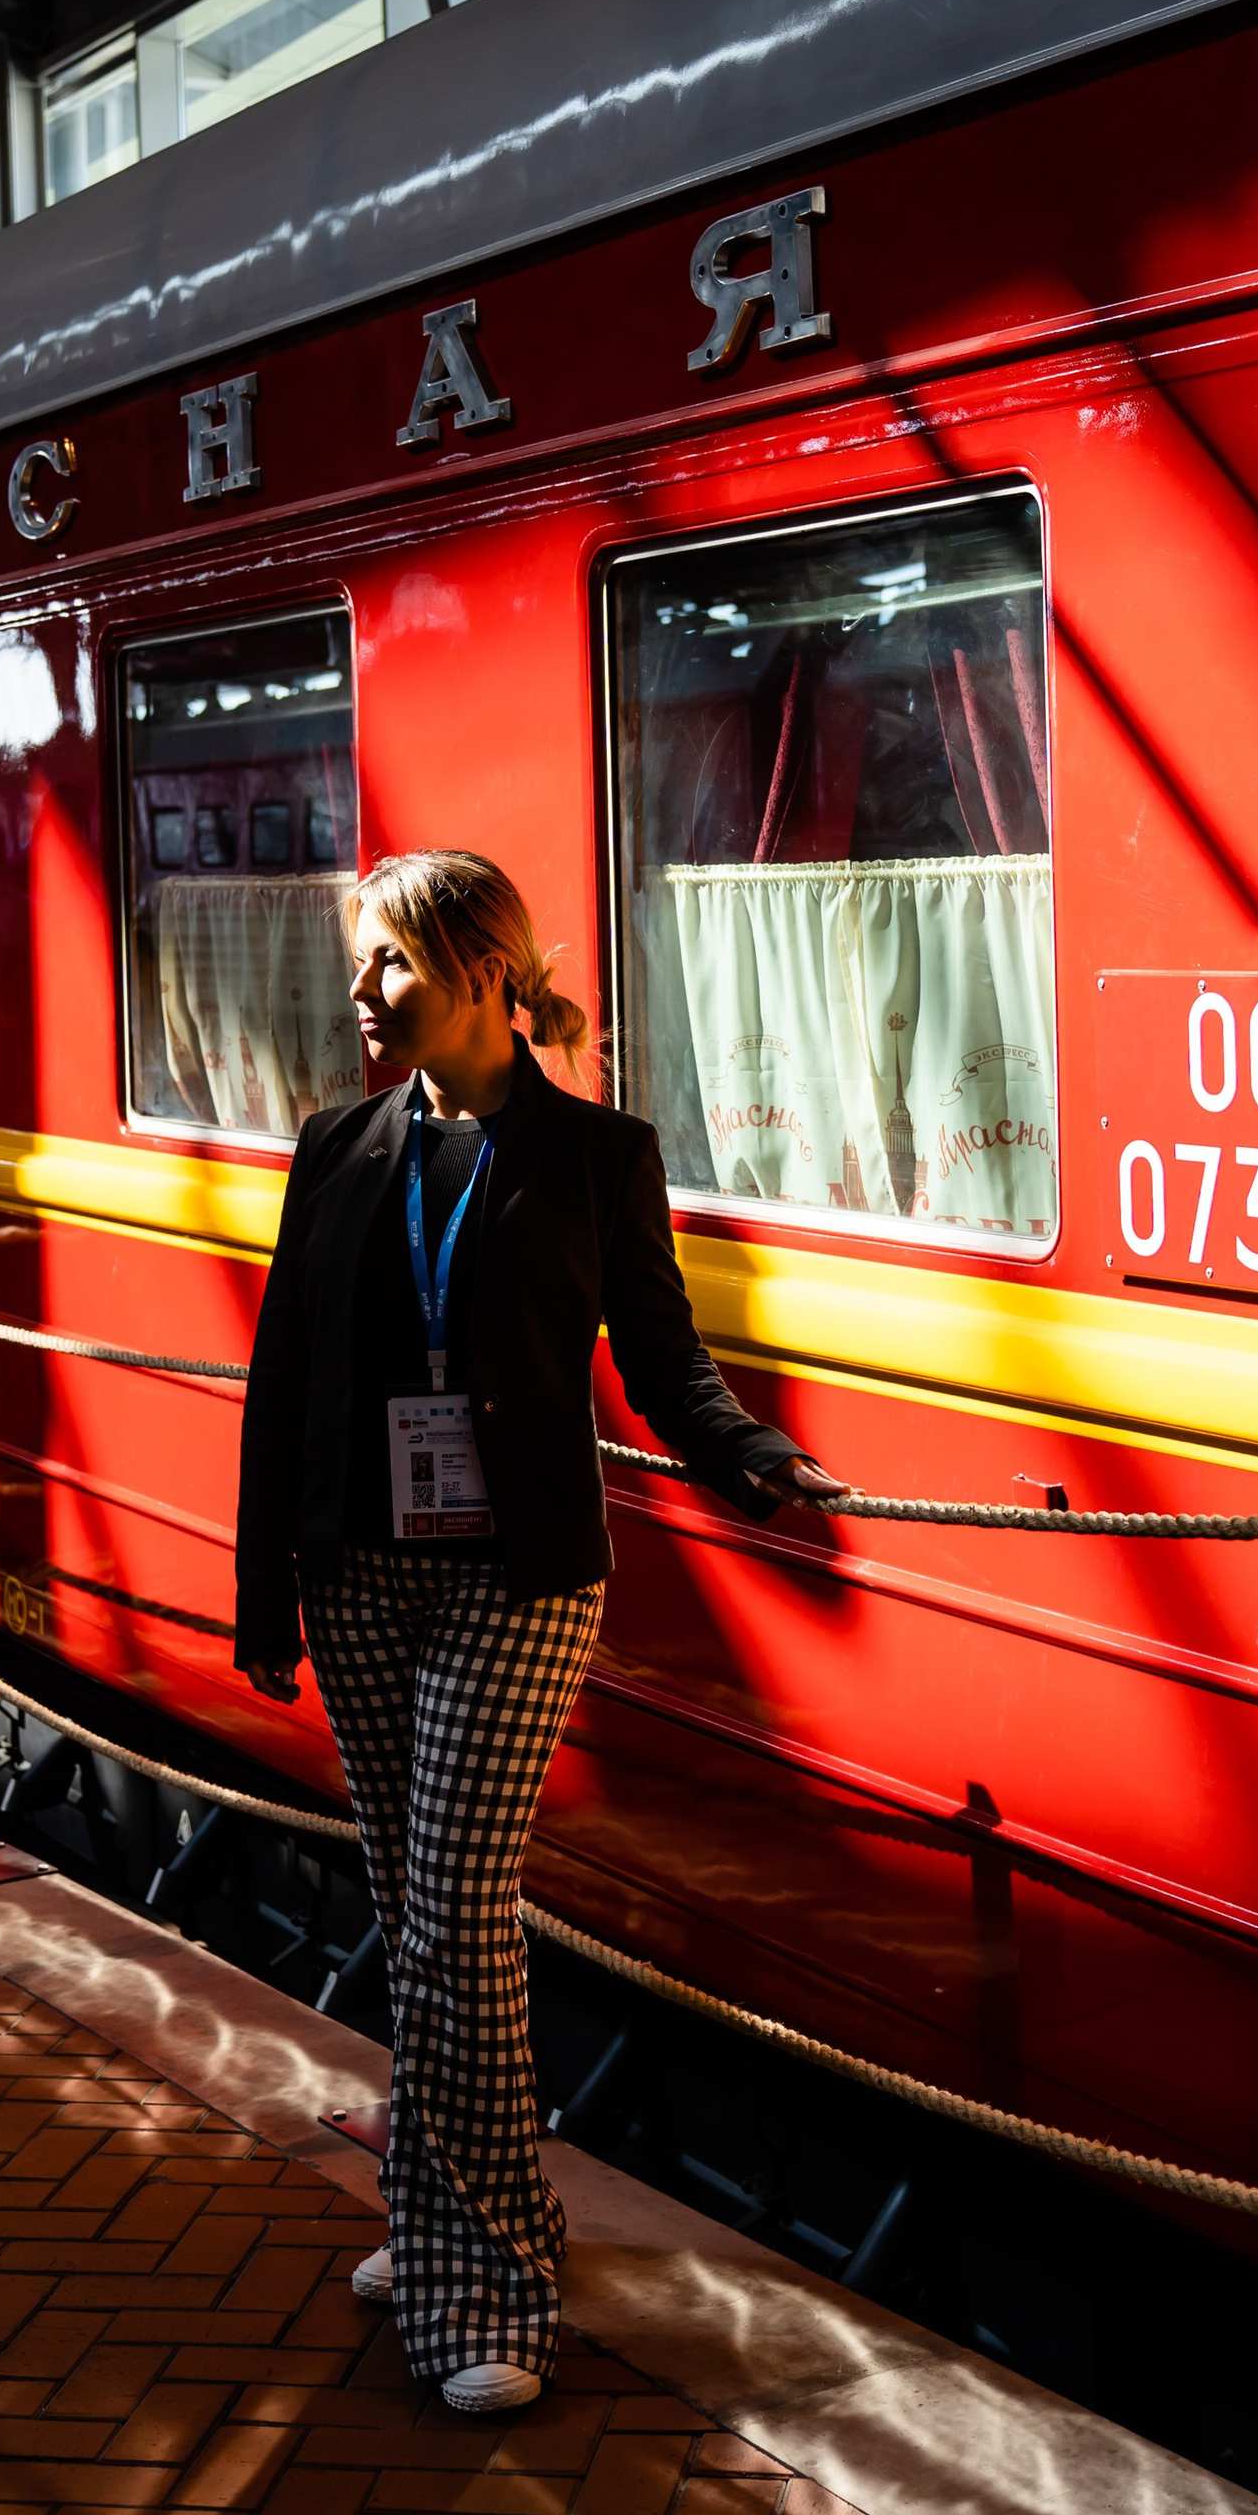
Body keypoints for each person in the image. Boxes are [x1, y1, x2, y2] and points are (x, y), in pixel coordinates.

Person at [234, 848, 845, 2414]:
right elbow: (285, 1379)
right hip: (360, 1571)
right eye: (364, 960)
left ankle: (488, 2283)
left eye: (392, 961)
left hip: (519, 1579)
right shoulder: (337, 1149)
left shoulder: (596, 1155)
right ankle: (439, 2206)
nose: (364, 989)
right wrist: (261, 1592)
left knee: (454, 1912)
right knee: (412, 1905)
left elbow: (662, 1356)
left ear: (484, 972)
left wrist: (749, 1453)